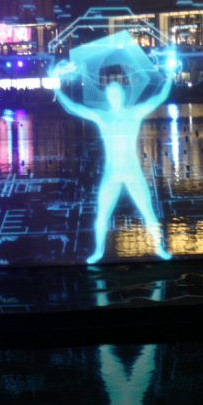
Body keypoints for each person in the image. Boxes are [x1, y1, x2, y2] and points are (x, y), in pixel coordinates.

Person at [56, 70, 174, 264]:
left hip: (132, 171)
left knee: (148, 212)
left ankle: (160, 248)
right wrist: (55, 86)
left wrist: (170, 75)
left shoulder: (135, 113)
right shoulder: (102, 116)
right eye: (111, 94)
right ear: (107, 97)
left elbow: (160, 96)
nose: (115, 97)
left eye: (117, 93)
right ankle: (98, 252)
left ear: (123, 95)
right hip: (112, 174)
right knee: (102, 214)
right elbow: (72, 107)